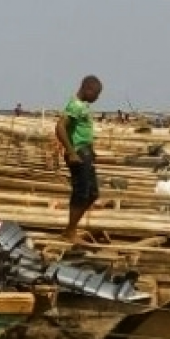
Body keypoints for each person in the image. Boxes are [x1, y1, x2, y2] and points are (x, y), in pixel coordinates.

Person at [55, 75, 104, 242]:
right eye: (96, 94)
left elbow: (81, 131)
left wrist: (91, 150)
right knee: (81, 193)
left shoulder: (82, 105)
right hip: (78, 153)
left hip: (85, 152)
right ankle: (70, 231)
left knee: (93, 193)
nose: (97, 98)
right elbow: (60, 127)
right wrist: (71, 152)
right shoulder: (74, 105)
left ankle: (71, 229)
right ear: (87, 89)